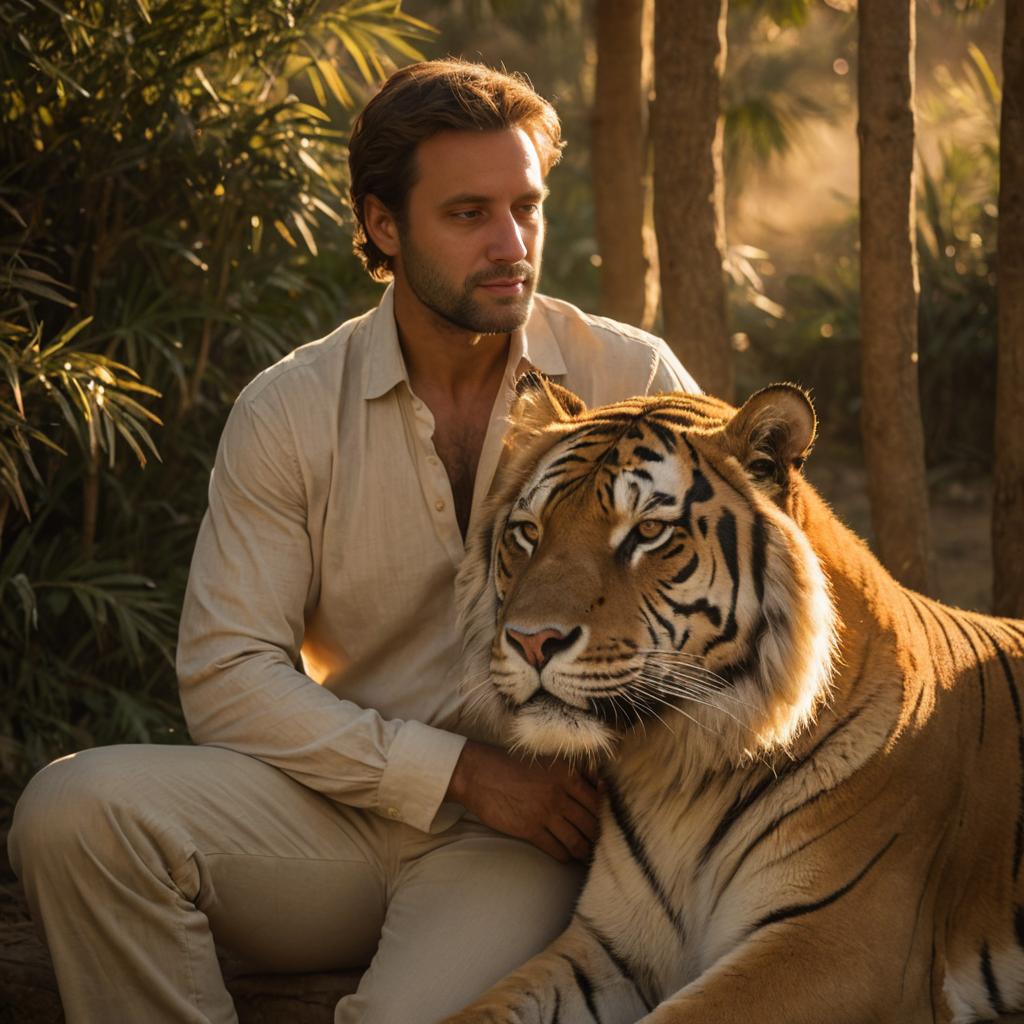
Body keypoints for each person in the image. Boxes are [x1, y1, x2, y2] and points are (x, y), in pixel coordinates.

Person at [8, 58, 698, 1023]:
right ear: (383, 224)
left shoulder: (631, 374)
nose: (513, 245)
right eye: (469, 214)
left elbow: (719, 616)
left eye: (525, 207)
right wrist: (456, 773)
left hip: (530, 843)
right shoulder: (290, 409)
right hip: (330, 814)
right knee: (73, 813)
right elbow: (225, 670)